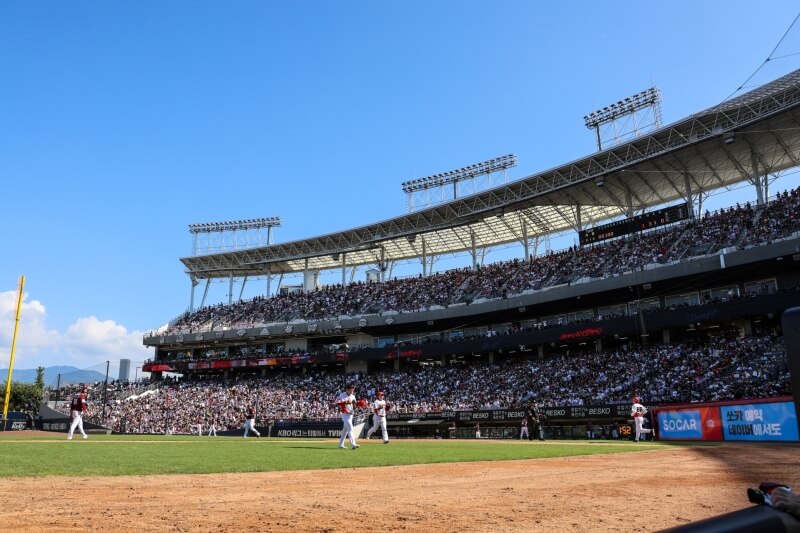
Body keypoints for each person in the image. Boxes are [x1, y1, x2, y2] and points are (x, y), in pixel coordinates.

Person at [336, 383, 360, 449]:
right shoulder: (342, 394)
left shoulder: (353, 396)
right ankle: (353, 444)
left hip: (351, 414)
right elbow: (338, 403)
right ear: (347, 389)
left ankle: (340, 445)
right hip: (344, 414)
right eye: (350, 390)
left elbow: (354, 405)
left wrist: (358, 406)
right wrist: (346, 402)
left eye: (352, 390)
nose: (351, 391)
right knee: (350, 427)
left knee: (345, 430)